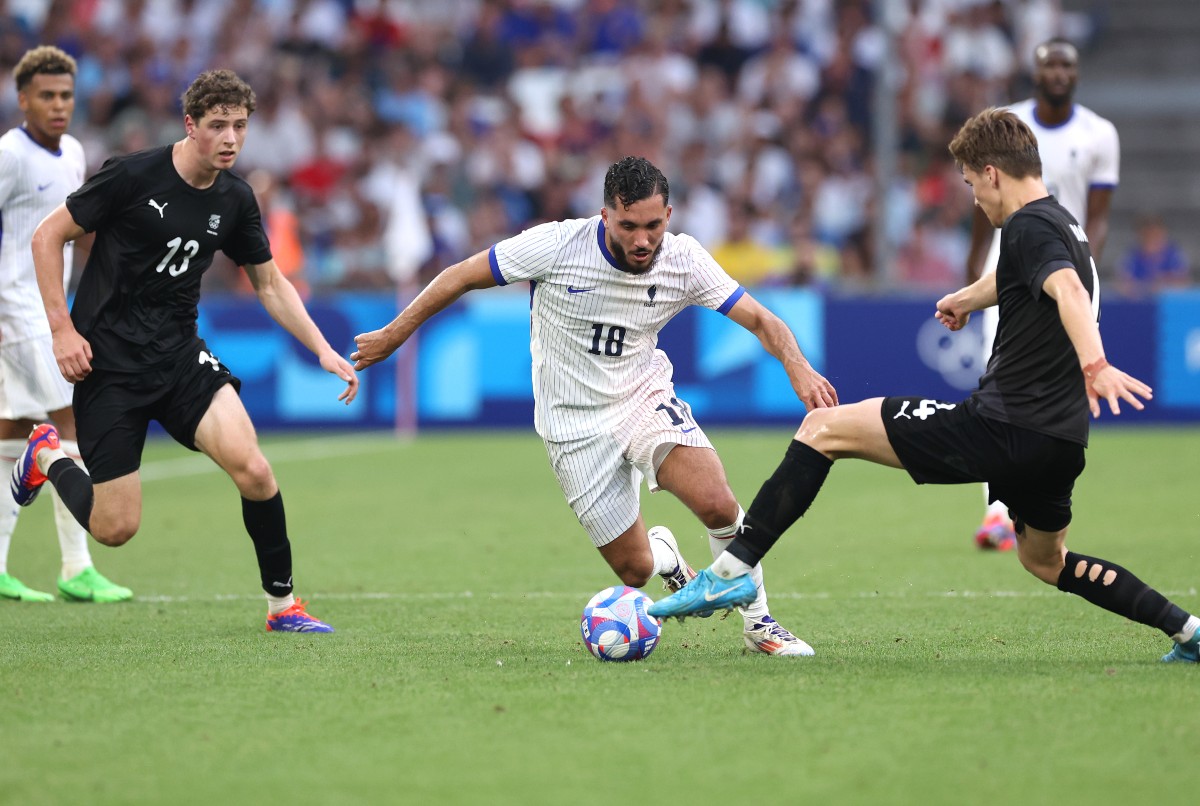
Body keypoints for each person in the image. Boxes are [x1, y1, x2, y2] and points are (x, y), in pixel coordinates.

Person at [649, 107, 1200, 665]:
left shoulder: (1029, 227)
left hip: (1001, 426)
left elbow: (1067, 292)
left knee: (823, 428)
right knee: (1045, 561)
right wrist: (967, 298)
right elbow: (1024, 273)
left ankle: (731, 570)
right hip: (1060, 442)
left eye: (970, 184)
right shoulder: (1059, 222)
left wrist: (1095, 364)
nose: (974, 200)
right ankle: (1187, 629)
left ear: (991, 173)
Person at [352, 156, 838, 656]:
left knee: (716, 501)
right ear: (605, 217)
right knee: (634, 571)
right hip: (572, 426)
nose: (642, 240)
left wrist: (796, 365)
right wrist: (393, 334)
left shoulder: (684, 259)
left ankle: (760, 625)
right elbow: (459, 276)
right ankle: (666, 559)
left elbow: (760, 318)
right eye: (628, 226)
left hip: (641, 397)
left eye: (652, 225)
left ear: (668, 216)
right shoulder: (557, 244)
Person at [10, 69, 358, 632]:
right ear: (190, 125)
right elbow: (47, 236)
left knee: (255, 470)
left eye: (240, 127)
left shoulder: (237, 198)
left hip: (178, 358)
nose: (230, 139)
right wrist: (61, 330)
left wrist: (320, 347)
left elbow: (269, 283)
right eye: (218, 125)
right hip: (109, 366)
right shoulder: (131, 175)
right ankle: (48, 455)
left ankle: (283, 607)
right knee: (115, 528)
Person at [963, 38, 1119, 551]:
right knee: (998, 372)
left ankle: (1039, 505)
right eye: (1049, 64)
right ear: (1035, 71)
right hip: (1007, 265)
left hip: (1063, 269)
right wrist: (972, 271)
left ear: (1076, 72)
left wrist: (1080, 267)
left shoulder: (1100, 134)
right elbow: (981, 203)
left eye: (1066, 65)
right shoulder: (1009, 126)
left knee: (1057, 381)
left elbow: (1096, 216)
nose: (1057, 72)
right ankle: (997, 511)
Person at [0, 46, 132, 603]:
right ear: (22, 98)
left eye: (66, 96)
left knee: (12, 433)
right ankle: (76, 566)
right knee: (69, 422)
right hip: (12, 305)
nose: (58, 106)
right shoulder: (9, 155)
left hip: (47, 303)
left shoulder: (74, 152)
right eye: (47, 96)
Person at [1117, 214, 1190, 297]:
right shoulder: (1132, 256)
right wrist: (1144, 288)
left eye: (1155, 235)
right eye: (1148, 235)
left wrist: (1163, 283)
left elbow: (1182, 282)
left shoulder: (1174, 255)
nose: (1152, 239)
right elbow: (1122, 284)